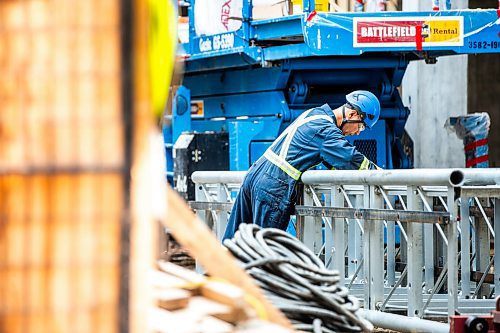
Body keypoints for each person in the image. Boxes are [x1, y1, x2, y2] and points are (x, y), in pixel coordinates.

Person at [222, 90, 382, 240]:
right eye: (361, 126)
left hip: (254, 176)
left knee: (235, 241)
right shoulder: (325, 131)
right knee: (264, 251)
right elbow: (350, 159)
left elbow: (333, 159)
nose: (358, 132)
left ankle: (219, 269)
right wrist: (378, 174)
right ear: (352, 114)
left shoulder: (316, 114)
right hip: (273, 186)